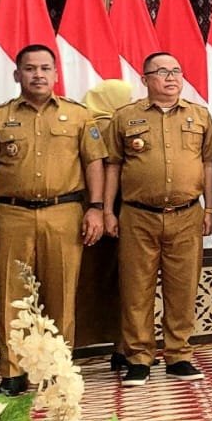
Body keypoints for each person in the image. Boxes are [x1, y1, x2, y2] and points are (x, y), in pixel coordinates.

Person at [0, 44, 107, 395]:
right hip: (11, 214)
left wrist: (96, 207)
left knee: (62, 295)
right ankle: (12, 373)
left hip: (64, 214)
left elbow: (94, 163)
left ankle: (58, 369)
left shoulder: (79, 116)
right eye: (30, 69)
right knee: (12, 296)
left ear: (56, 74)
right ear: (17, 74)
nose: (38, 75)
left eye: (45, 68)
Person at [104, 53, 212, 386]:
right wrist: (107, 210)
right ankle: (139, 358)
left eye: (176, 71)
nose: (171, 77)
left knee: (183, 288)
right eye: (162, 72)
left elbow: (208, 164)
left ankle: (178, 355)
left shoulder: (200, 115)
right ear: (145, 79)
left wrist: (210, 209)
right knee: (136, 289)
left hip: (187, 214)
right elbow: (113, 165)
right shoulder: (125, 117)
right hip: (138, 215)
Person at [83, 79, 132, 373]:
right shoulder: (110, 128)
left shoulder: (85, 125)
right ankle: (122, 348)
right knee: (124, 283)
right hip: (118, 214)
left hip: (89, 213)